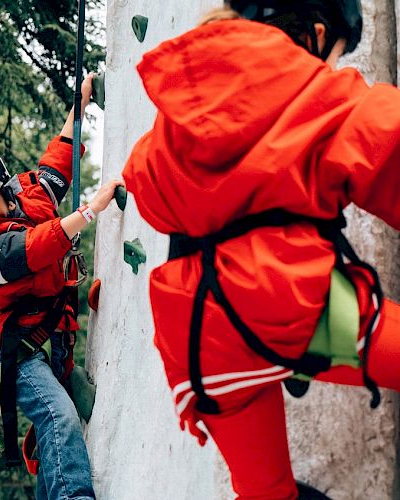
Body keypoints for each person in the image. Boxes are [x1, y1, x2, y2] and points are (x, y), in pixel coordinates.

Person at [122, 1, 400, 499]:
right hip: (294, 308)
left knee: (263, 491)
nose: (332, 68)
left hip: (199, 343)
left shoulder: (176, 115)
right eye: (334, 55)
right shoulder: (313, 90)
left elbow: (144, 185)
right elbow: (386, 142)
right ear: (317, 34)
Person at [0, 73, 124, 500]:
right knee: (59, 420)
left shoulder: (29, 197)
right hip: (23, 356)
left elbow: (58, 159)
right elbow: (35, 248)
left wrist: (81, 102)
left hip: (55, 347)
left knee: (55, 433)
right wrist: (91, 211)